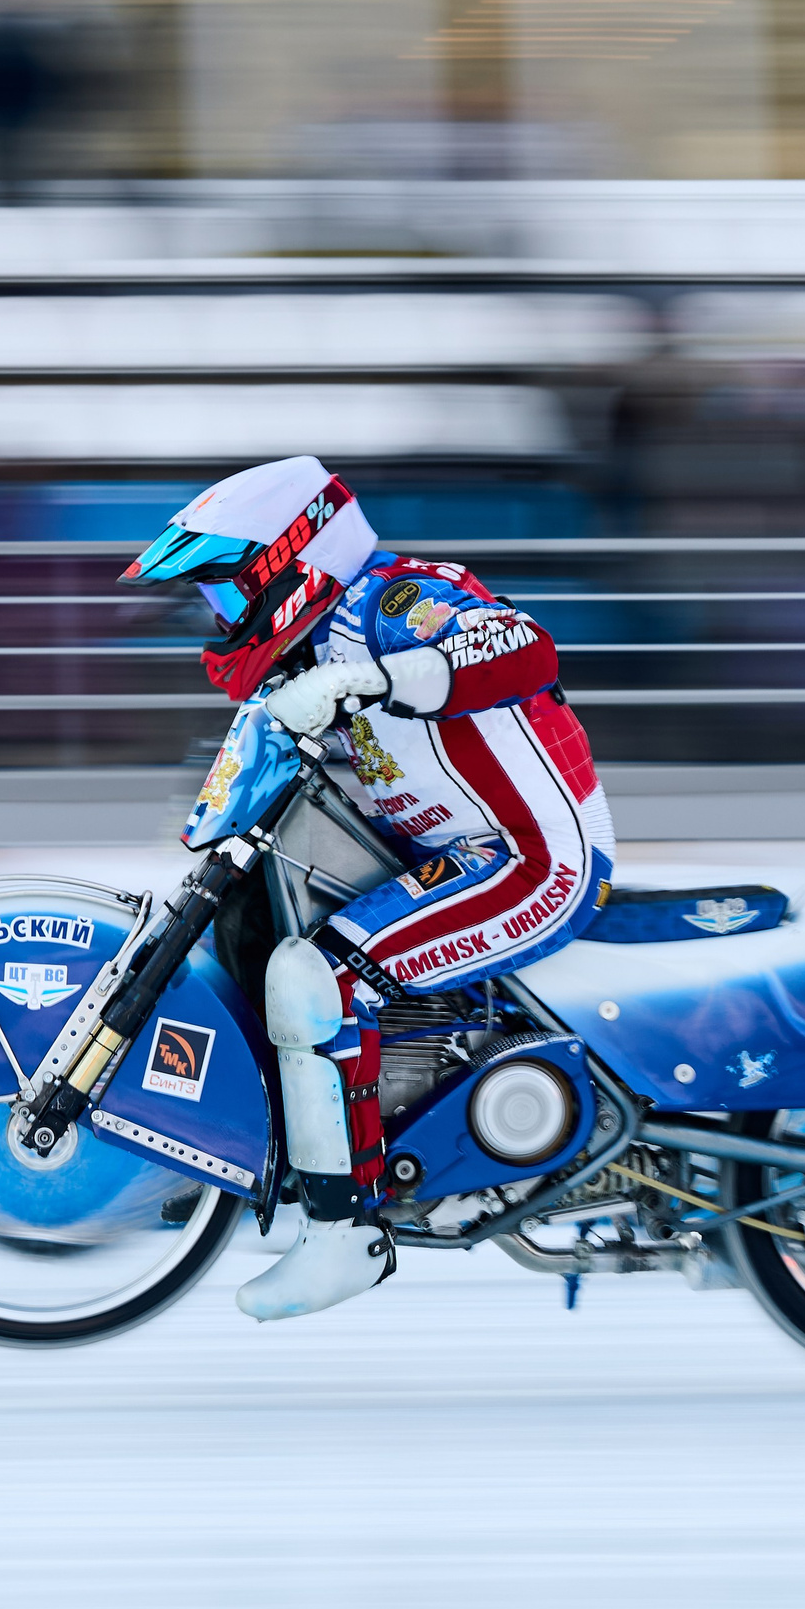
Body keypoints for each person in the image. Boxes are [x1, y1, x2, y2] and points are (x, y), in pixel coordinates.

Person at [122, 457, 615, 1320]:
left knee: (320, 977)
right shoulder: (303, 653)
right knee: (269, 931)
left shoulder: (394, 603)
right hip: (449, 857)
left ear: (292, 560)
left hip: (529, 860)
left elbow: (524, 646)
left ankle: (344, 1235)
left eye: (230, 596)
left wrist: (379, 677)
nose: (222, 622)